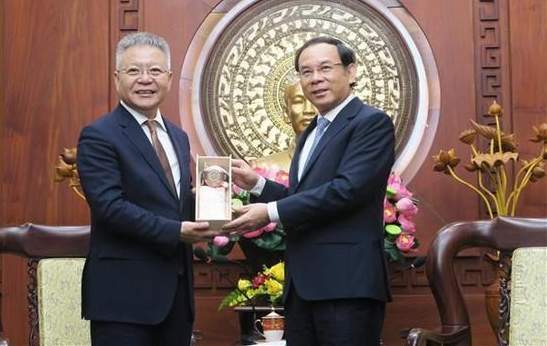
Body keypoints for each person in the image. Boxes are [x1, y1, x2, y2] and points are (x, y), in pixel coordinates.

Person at [223, 36, 395, 346]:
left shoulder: (371, 123)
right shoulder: (312, 132)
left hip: (346, 285)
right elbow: (305, 195)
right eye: (305, 72)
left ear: (351, 72)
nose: (315, 79)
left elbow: (347, 190)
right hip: (303, 285)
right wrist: (257, 184)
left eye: (325, 68)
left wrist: (269, 213)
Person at [77, 32, 218, 346]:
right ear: (117, 79)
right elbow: (110, 208)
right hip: (123, 299)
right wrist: (177, 231)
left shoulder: (178, 136)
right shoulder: (99, 135)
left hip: (176, 296)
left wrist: (218, 208)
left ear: (168, 78)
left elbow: (175, 201)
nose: (145, 79)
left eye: (154, 71)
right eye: (133, 71)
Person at [248, 81, 316, 173]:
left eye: (315, 101)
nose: (308, 110)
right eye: (298, 102)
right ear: (286, 113)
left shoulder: (340, 165)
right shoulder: (262, 169)